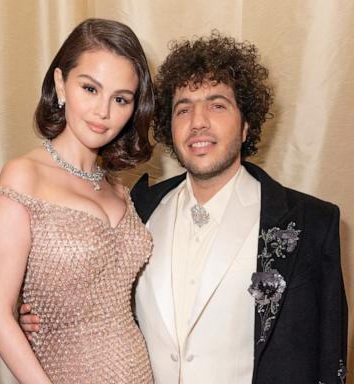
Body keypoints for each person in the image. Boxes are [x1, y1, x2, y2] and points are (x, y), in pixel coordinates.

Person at [20, 32, 348, 383]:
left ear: (245, 126)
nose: (198, 122)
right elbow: (97, 296)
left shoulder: (310, 222)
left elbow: (329, 359)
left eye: (217, 105)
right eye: (183, 109)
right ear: (168, 127)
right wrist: (48, 319)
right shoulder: (134, 208)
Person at [0, 18, 155, 383]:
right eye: (90, 89)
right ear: (60, 84)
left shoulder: (118, 187)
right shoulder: (23, 176)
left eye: (120, 98)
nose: (103, 112)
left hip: (139, 371)